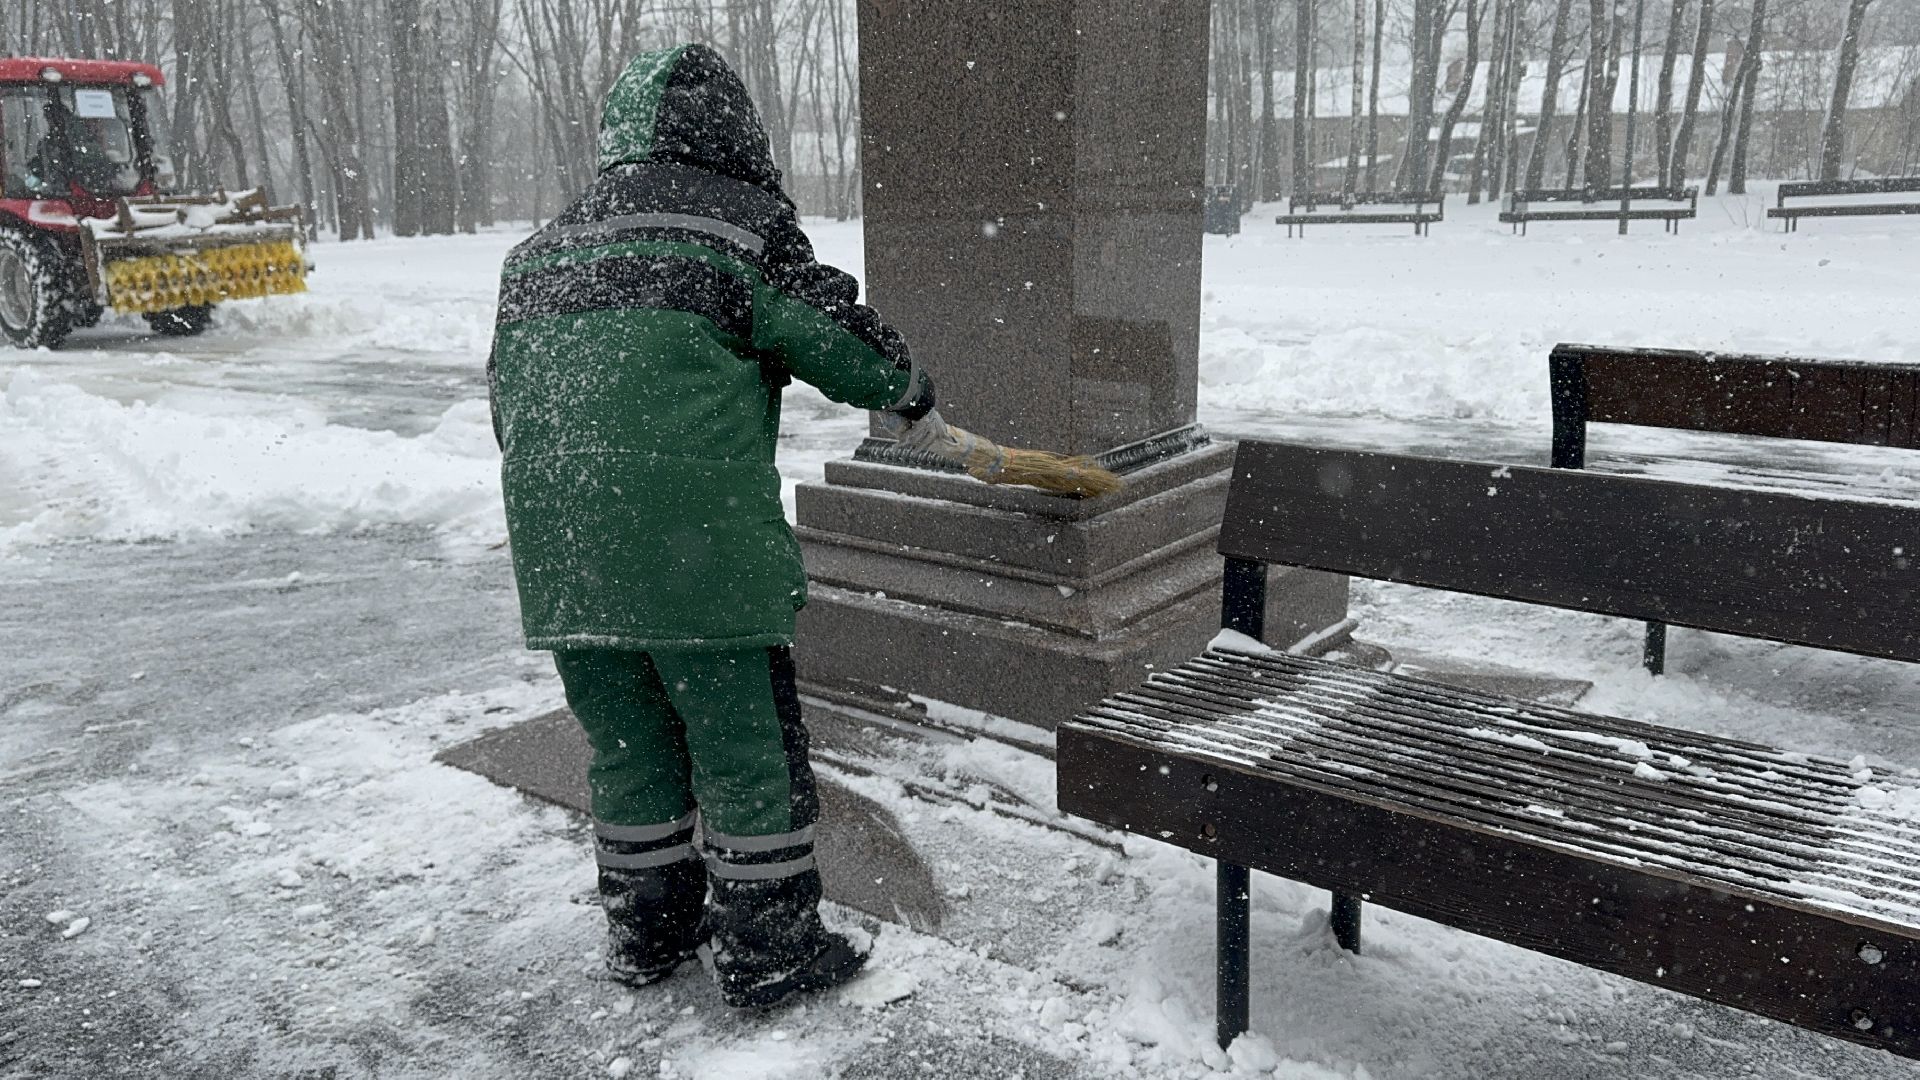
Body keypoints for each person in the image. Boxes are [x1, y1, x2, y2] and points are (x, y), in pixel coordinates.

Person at [486, 44, 947, 1008]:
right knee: (744, 756)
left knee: (628, 748)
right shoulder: (734, 234)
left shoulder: (536, 255)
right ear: (736, 138)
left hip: (565, 558)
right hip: (694, 561)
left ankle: (648, 932)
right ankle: (771, 950)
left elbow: (512, 408)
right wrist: (906, 390)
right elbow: (836, 340)